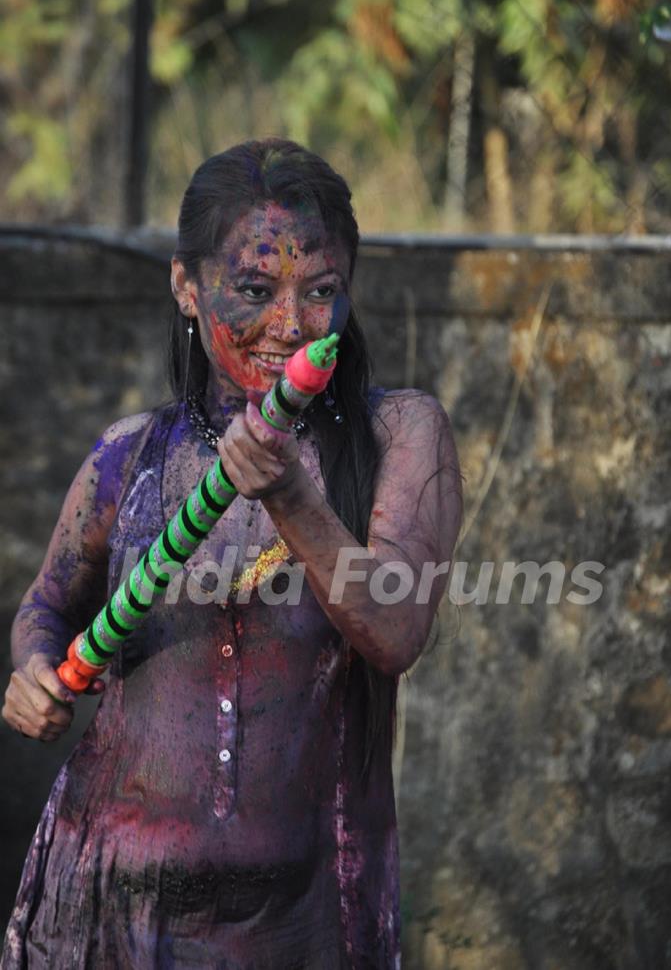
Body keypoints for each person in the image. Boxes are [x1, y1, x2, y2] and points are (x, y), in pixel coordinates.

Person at [1, 138, 462, 969]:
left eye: (322, 292)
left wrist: (291, 497)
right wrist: (34, 668)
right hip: (102, 909)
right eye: (255, 289)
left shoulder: (402, 435)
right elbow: (46, 606)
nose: (291, 324)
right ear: (186, 285)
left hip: (302, 925)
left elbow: (394, 628)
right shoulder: (128, 455)